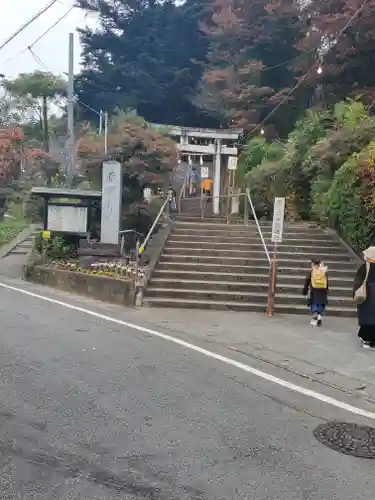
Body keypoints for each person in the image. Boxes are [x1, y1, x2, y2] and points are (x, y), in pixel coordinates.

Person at [353, 246, 375, 349]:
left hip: (368, 295)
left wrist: (355, 292)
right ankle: (366, 337)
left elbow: (358, 281)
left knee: (367, 317)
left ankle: (369, 340)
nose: (364, 256)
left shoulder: (365, 267)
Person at [302, 259, 329, 326]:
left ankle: (315, 319)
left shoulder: (311, 272)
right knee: (320, 305)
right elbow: (327, 282)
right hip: (322, 291)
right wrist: (326, 290)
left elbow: (307, 281)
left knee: (314, 305)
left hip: (314, 291)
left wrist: (304, 291)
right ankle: (319, 316)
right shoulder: (324, 271)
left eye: (311, 264)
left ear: (314, 265)